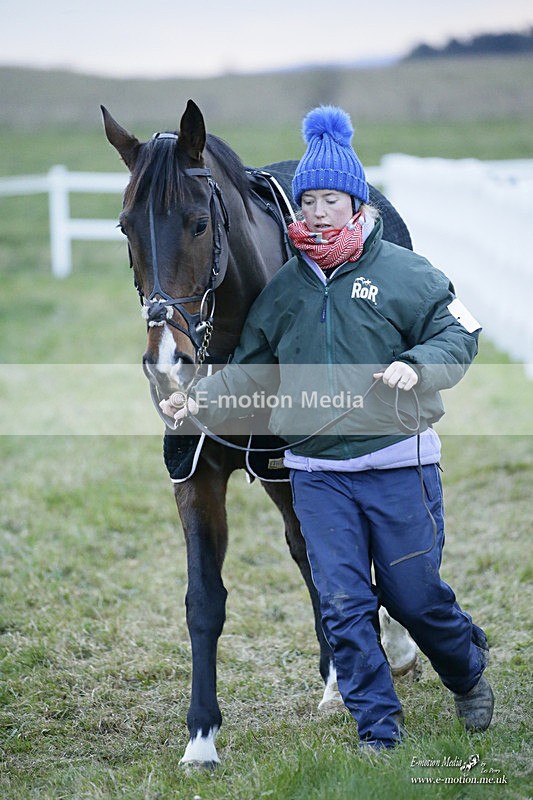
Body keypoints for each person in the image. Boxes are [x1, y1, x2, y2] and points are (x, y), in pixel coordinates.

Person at [160, 106, 494, 751]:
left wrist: (419, 365)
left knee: (414, 596)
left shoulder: (403, 271)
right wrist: (197, 401)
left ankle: (467, 670)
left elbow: (461, 330)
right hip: (318, 475)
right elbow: (253, 368)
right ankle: (378, 729)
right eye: (307, 199)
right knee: (342, 605)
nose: (315, 211)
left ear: (356, 202)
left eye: (330, 199)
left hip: (398, 462)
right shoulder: (283, 289)